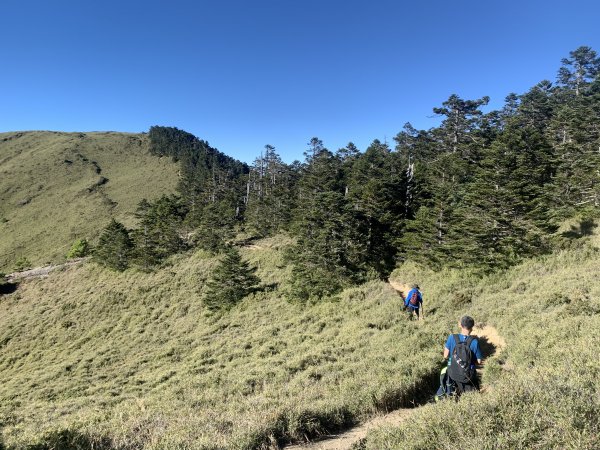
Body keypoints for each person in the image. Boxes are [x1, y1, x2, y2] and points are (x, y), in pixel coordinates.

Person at [443, 315, 482, 394]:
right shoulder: (474, 342)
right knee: (472, 398)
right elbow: (479, 361)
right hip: (468, 377)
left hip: (453, 374)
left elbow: (445, 355)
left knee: (454, 397)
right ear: (472, 326)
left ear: (460, 325)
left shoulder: (452, 337)